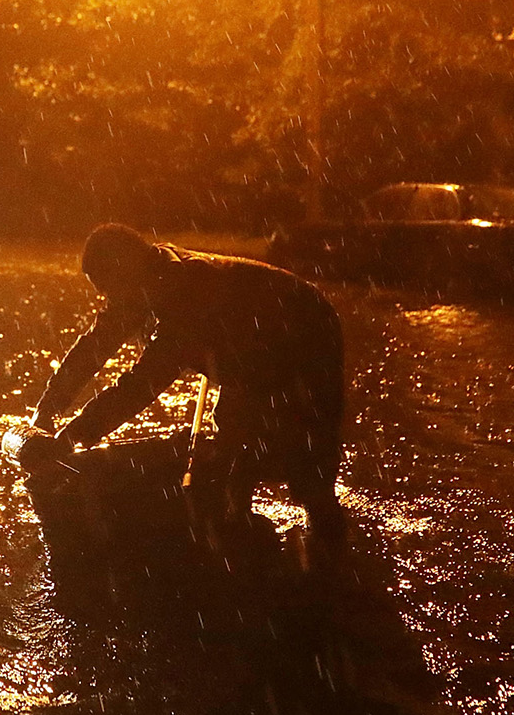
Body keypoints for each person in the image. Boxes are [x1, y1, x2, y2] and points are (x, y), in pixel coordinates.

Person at [31, 223, 347, 545]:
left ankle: (322, 548)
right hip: (248, 347)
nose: (109, 299)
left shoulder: (186, 290)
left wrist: (76, 433)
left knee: (307, 468)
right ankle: (234, 529)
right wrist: (48, 406)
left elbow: (145, 382)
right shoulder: (142, 283)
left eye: (109, 289)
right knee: (232, 446)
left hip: (305, 334)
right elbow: (95, 346)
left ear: (126, 271)